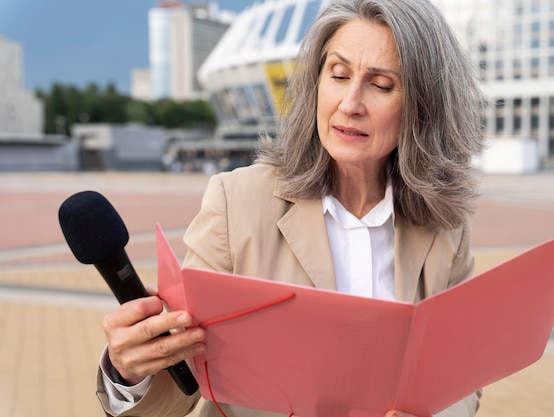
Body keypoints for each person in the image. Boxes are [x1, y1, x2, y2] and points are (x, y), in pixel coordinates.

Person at [96, 0, 485, 416]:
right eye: (338, 75)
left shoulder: (446, 227)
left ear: (423, 108)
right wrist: (129, 373)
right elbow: (182, 384)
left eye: (381, 85)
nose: (350, 103)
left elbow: (460, 379)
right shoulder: (236, 203)